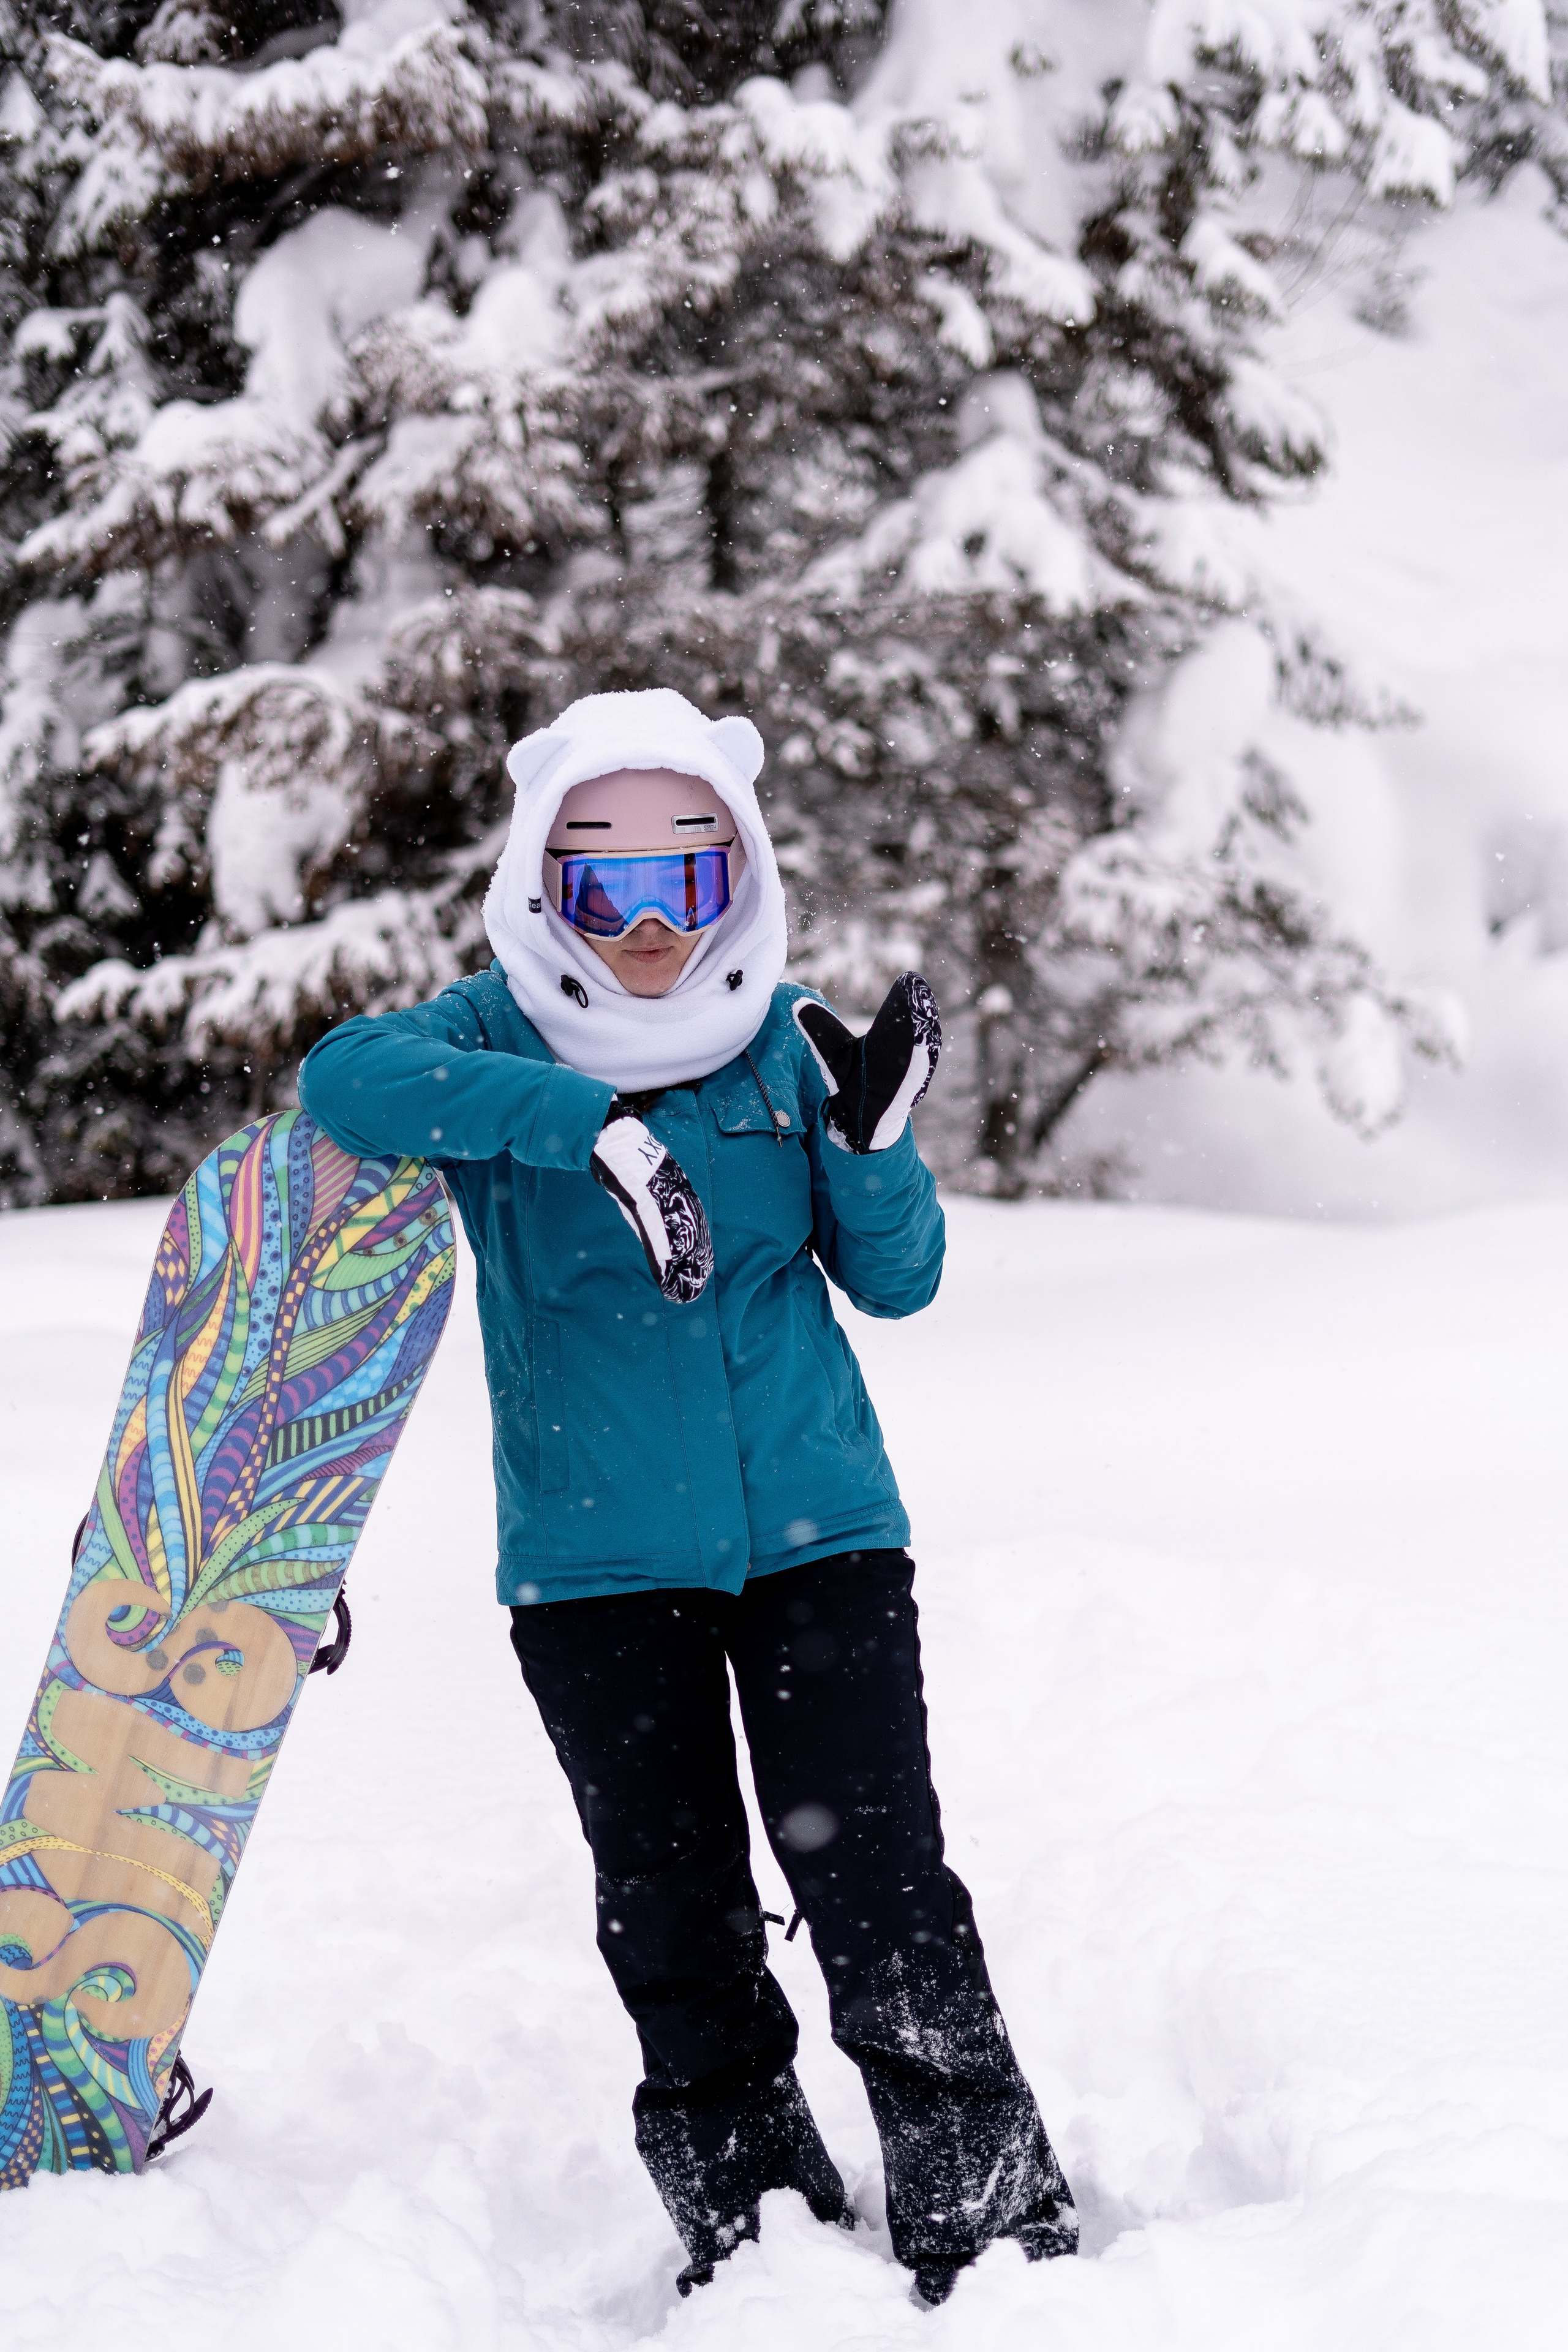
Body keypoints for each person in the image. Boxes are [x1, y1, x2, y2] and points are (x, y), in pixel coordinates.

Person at [298, 688, 1076, 2305]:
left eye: (689, 882)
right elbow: (345, 1080)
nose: (649, 927)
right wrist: (585, 1126)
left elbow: (901, 1281)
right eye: (605, 886)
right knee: (673, 1903)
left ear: (743, 877)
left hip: (821, 1539)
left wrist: (871, 1148)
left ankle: (987, 2208)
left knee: (879, 1879)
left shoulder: (786, 1038)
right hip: (597, 1567)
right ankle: (755, 2216)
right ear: (543, 882)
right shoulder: (492, 1036)